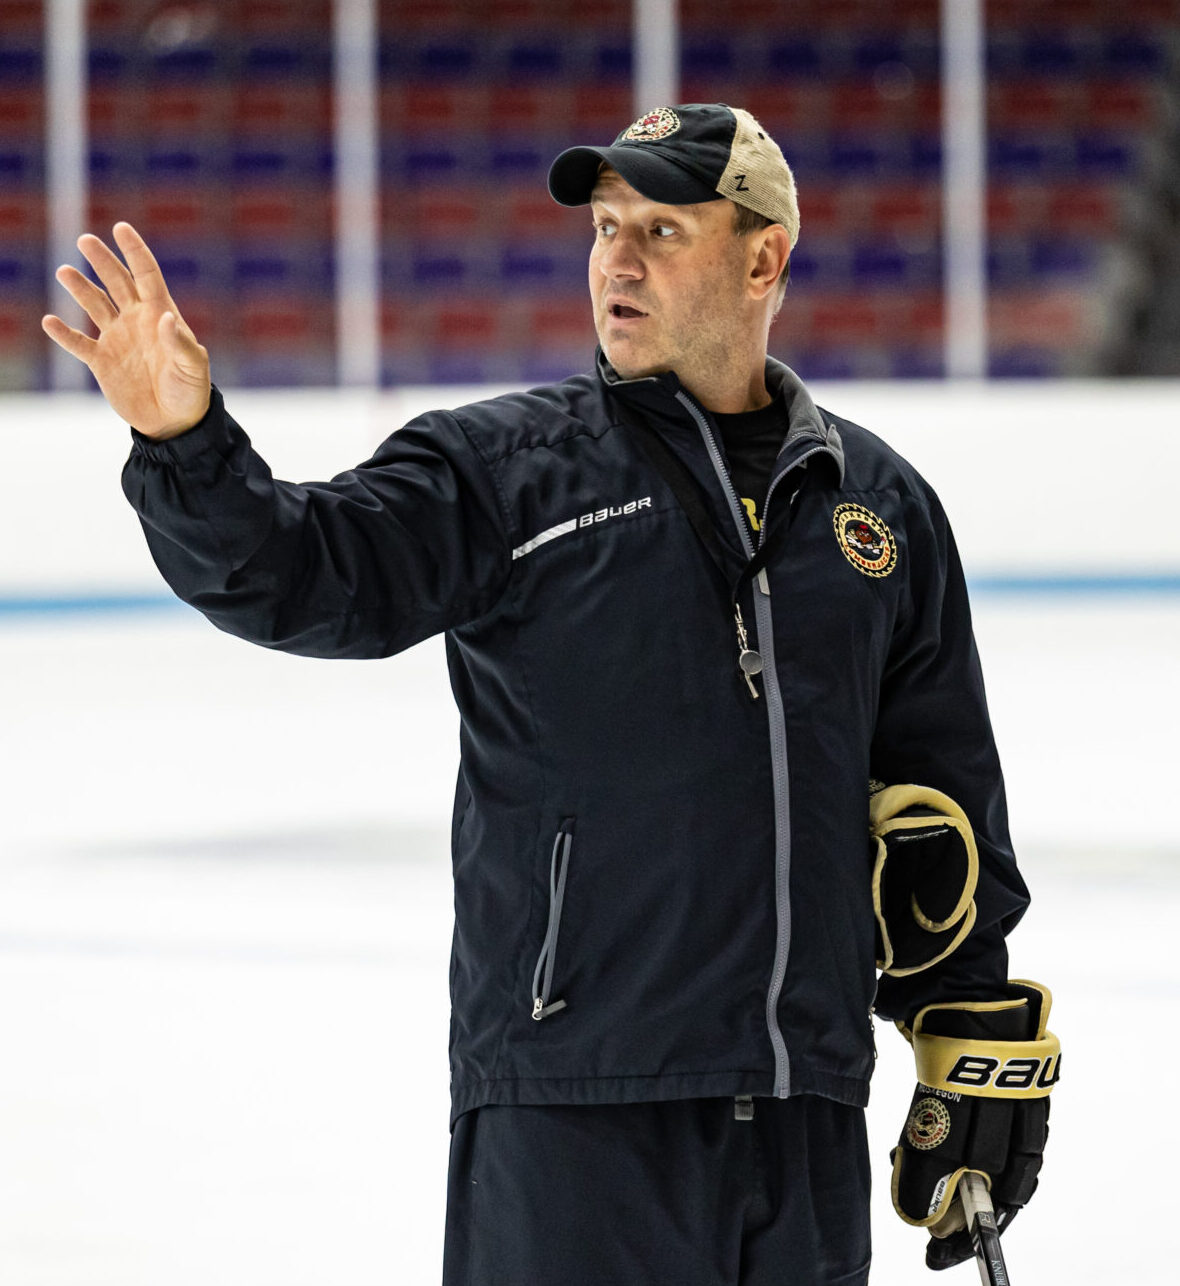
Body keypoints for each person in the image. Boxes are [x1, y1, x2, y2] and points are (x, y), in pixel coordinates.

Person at [44, 103, 1058, 1285]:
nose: (616, 259)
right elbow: (295, 573)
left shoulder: (873, 508)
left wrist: (967, 1027)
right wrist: (185, 439)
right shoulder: (506, 475)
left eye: (663, 230)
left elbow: (937, 808)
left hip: (801, 1114)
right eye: (604, 226)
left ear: (763, 256)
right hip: (571, 1108)